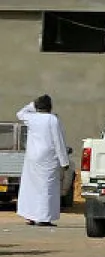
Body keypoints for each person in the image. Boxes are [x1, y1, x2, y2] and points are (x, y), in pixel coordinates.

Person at [17, 95, 69, 226]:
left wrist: (31, 105)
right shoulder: (52, 119)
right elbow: (58, 141)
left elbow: (20, 113)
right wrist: (64, 161)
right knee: (47, 187)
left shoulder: (31, 117)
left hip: (32, 157)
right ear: (50, 106)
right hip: (48, 158)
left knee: (31, 186)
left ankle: (30, 215)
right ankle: (44, 218)